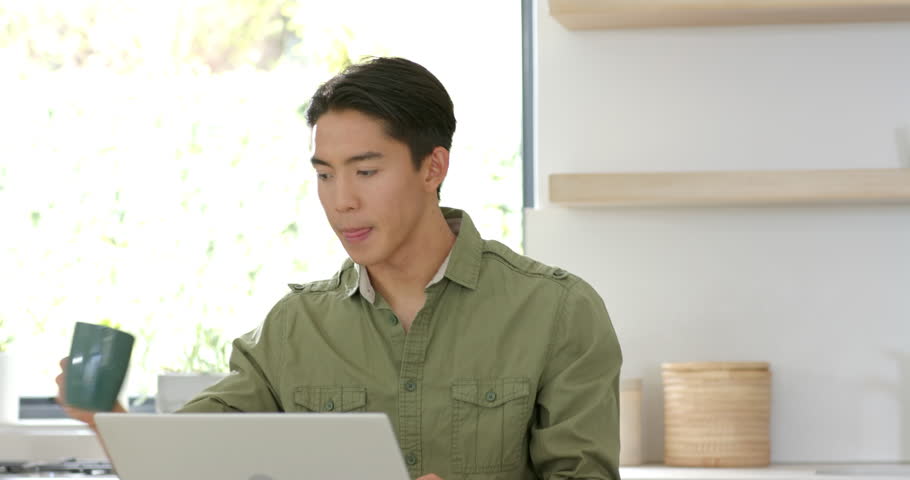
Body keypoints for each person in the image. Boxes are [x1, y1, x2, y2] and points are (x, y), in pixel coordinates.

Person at [57, 57, 623, 480]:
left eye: (366, 171)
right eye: (324, 174)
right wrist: (106, 419)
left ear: (433, 167)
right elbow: (194, 457)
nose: (340, 200)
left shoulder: (558, 311)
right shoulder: (294, 327)